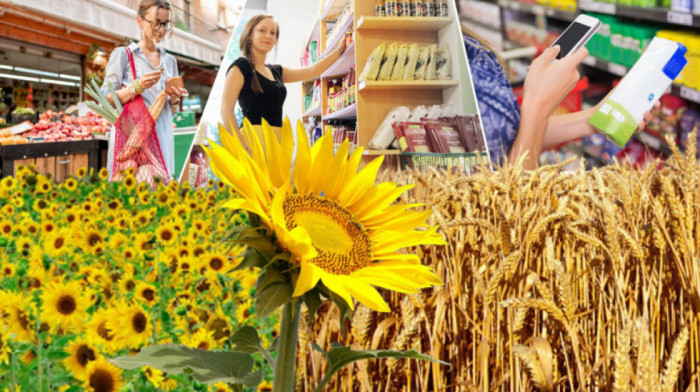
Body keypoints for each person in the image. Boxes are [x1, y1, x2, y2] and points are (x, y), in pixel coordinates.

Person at [462, 24, 656, 170]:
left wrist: (595, 118)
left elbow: (498, 137)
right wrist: (539, 103)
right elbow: (509, 207)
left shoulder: (458, 35)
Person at [221, 14, 347, 144]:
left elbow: (312, 71)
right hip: (252, 141)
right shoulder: (241, 67)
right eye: (262, 30)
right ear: (249, 35)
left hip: (278, 140)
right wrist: (242, 147)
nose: (268, 36)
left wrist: (339, 50)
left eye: (273, 33)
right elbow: (226, 109)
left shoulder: (276, 71)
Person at [101, 0, 188, 178]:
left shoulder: (170, 61)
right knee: (129, 195)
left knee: (161, 195)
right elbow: (104, 99)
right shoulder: (123, 55)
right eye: (156, 23)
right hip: (131, 144)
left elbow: (169, 112)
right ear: (140, 21)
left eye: (166, 24)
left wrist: (174, 99)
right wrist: (136, 87)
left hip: (162, 141)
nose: (162, 30)